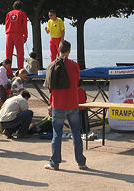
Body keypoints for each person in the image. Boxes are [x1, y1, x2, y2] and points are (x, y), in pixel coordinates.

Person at [45, 40, 87, 171]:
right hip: (72, 103)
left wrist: (50, 103)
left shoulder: (51, 65)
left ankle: (54, 163)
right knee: (76, 133)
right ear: (69, 51)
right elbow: (76, 82)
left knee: (57, 134)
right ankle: (81, 162)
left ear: (58, 50)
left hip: (57, 104)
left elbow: (50, 88)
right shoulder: (74, 65)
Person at [5, 0, 28, 76]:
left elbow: (6, 24)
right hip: (18, 34)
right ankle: (20, 71)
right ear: (21, 7)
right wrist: (25, 35)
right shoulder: (22, 13)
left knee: (8, 53)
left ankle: (8, 71)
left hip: (9, 34)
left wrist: (7, 32)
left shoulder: (9, 14)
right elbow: (24, 25)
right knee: (20, 54)